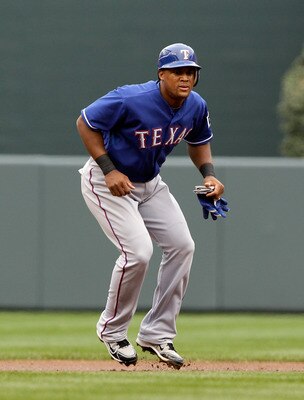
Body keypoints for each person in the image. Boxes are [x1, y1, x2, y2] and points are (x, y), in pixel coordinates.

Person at [76, 43, 226, 369]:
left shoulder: (195, 106)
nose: (185, 78)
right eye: (177, 72)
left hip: (150, 184)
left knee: (183, 246)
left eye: (190, 72)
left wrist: (210, 176)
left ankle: (157, 334)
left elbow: (199, 143)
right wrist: (108, 169)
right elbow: (85, 123)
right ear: (162, 74)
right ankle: (113, 331)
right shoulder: (131, 98)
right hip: (107, 182)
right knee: (139, 252)